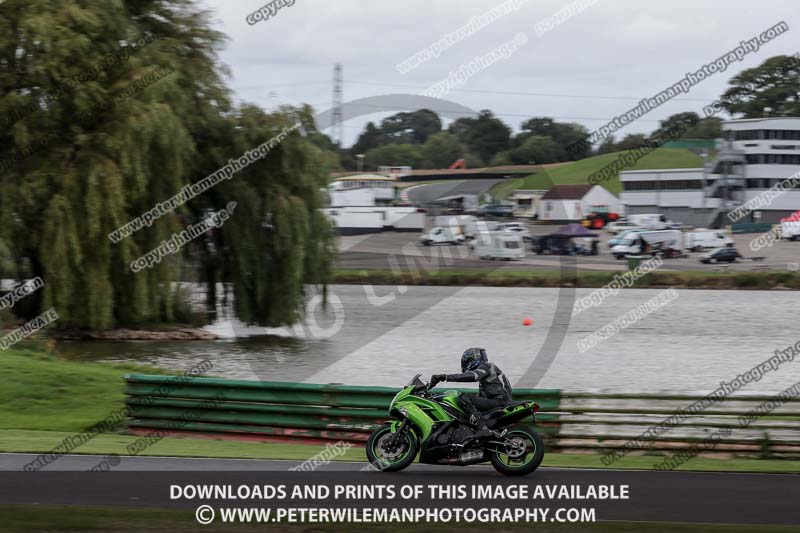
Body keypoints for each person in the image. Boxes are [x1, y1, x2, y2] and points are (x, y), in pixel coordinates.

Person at [430, 348, 513, 436]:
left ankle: (482, 427)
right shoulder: (489, 376)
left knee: (463, 398)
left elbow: (473, 376)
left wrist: (445, 377)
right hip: (498, 401)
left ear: (474, 358)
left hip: (499, 401)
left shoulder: (487, 366)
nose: (465, 364)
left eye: (467, 361)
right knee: (469, 401)